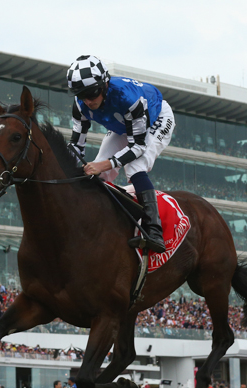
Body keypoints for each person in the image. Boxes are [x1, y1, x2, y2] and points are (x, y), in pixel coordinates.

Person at [66, 55, 176, 254]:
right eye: (81, 95)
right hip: (125, 124)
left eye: (92, 93)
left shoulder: (128, 98)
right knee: (97, 170)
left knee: (134, 167)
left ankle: (154, 229)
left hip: (156, 118)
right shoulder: (80, 105)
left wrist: (106, 164)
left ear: (105, 84)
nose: (88, 101)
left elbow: (138, 146)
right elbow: (75, 146)